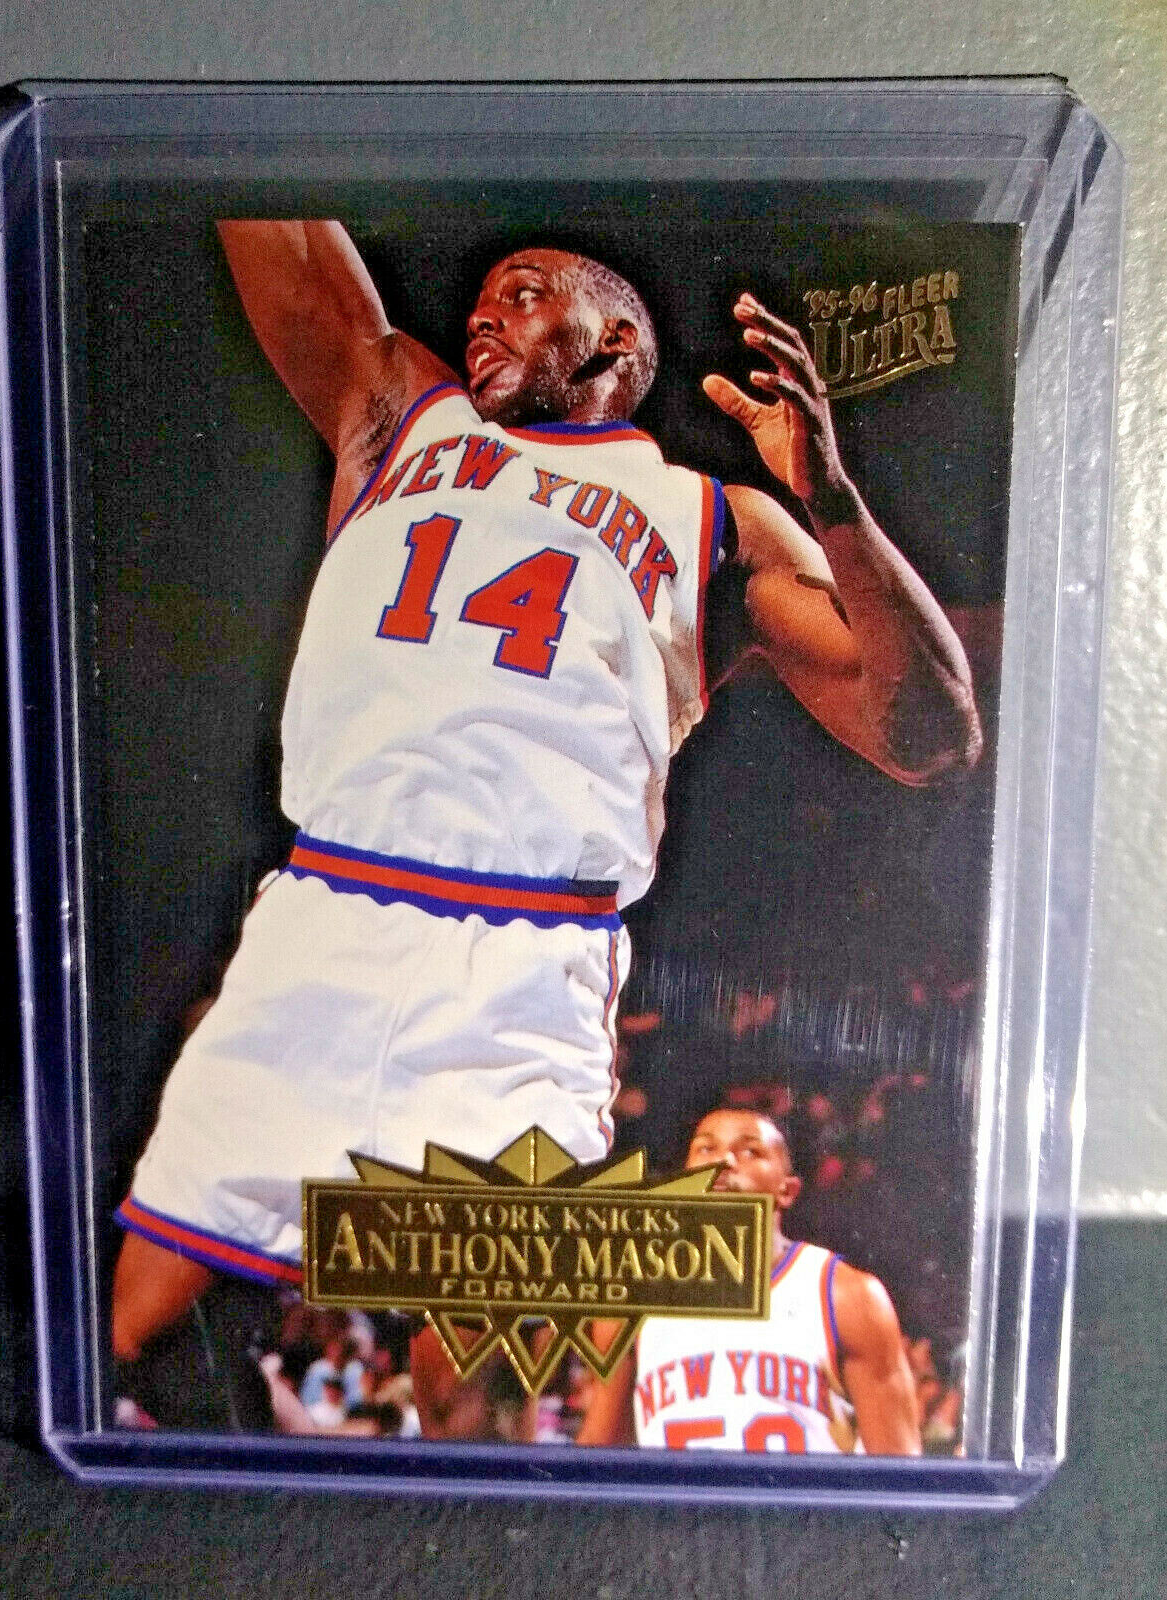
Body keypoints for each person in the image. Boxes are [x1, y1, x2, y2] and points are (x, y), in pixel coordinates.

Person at [111, 223, 981, 1391]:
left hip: (524, 962)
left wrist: (833, 502)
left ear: (610, 339)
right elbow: (269, 209)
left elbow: (929, 736)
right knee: (138, 1323)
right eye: (479, 299)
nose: (481, 313)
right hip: (330, 902)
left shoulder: (715, 518)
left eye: (520, 294)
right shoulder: (401, 413)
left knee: (482, 1371)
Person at [576, 1108, 921, 1454]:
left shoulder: (846, 1295)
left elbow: (899, 1470)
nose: (723, 1161)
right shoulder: (632, 1298)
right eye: (706, 1148)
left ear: (787, 1190)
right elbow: (599, 1459)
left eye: (750, 1151)